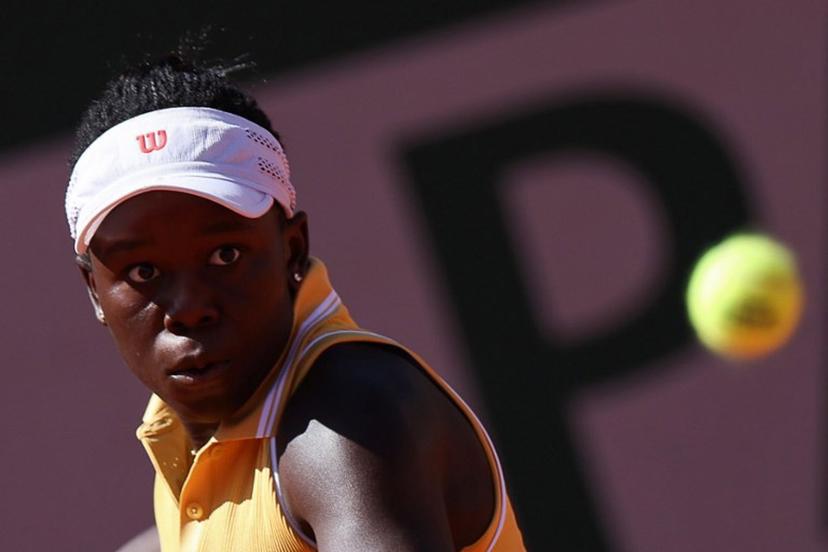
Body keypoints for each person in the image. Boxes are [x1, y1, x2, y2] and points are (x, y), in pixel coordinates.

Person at [66, 53, 525, 552]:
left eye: (225, 255)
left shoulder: (348, 420)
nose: (191, 307)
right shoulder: (183, 432)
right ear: (95, 291)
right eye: (144, 272)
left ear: (294, 250)